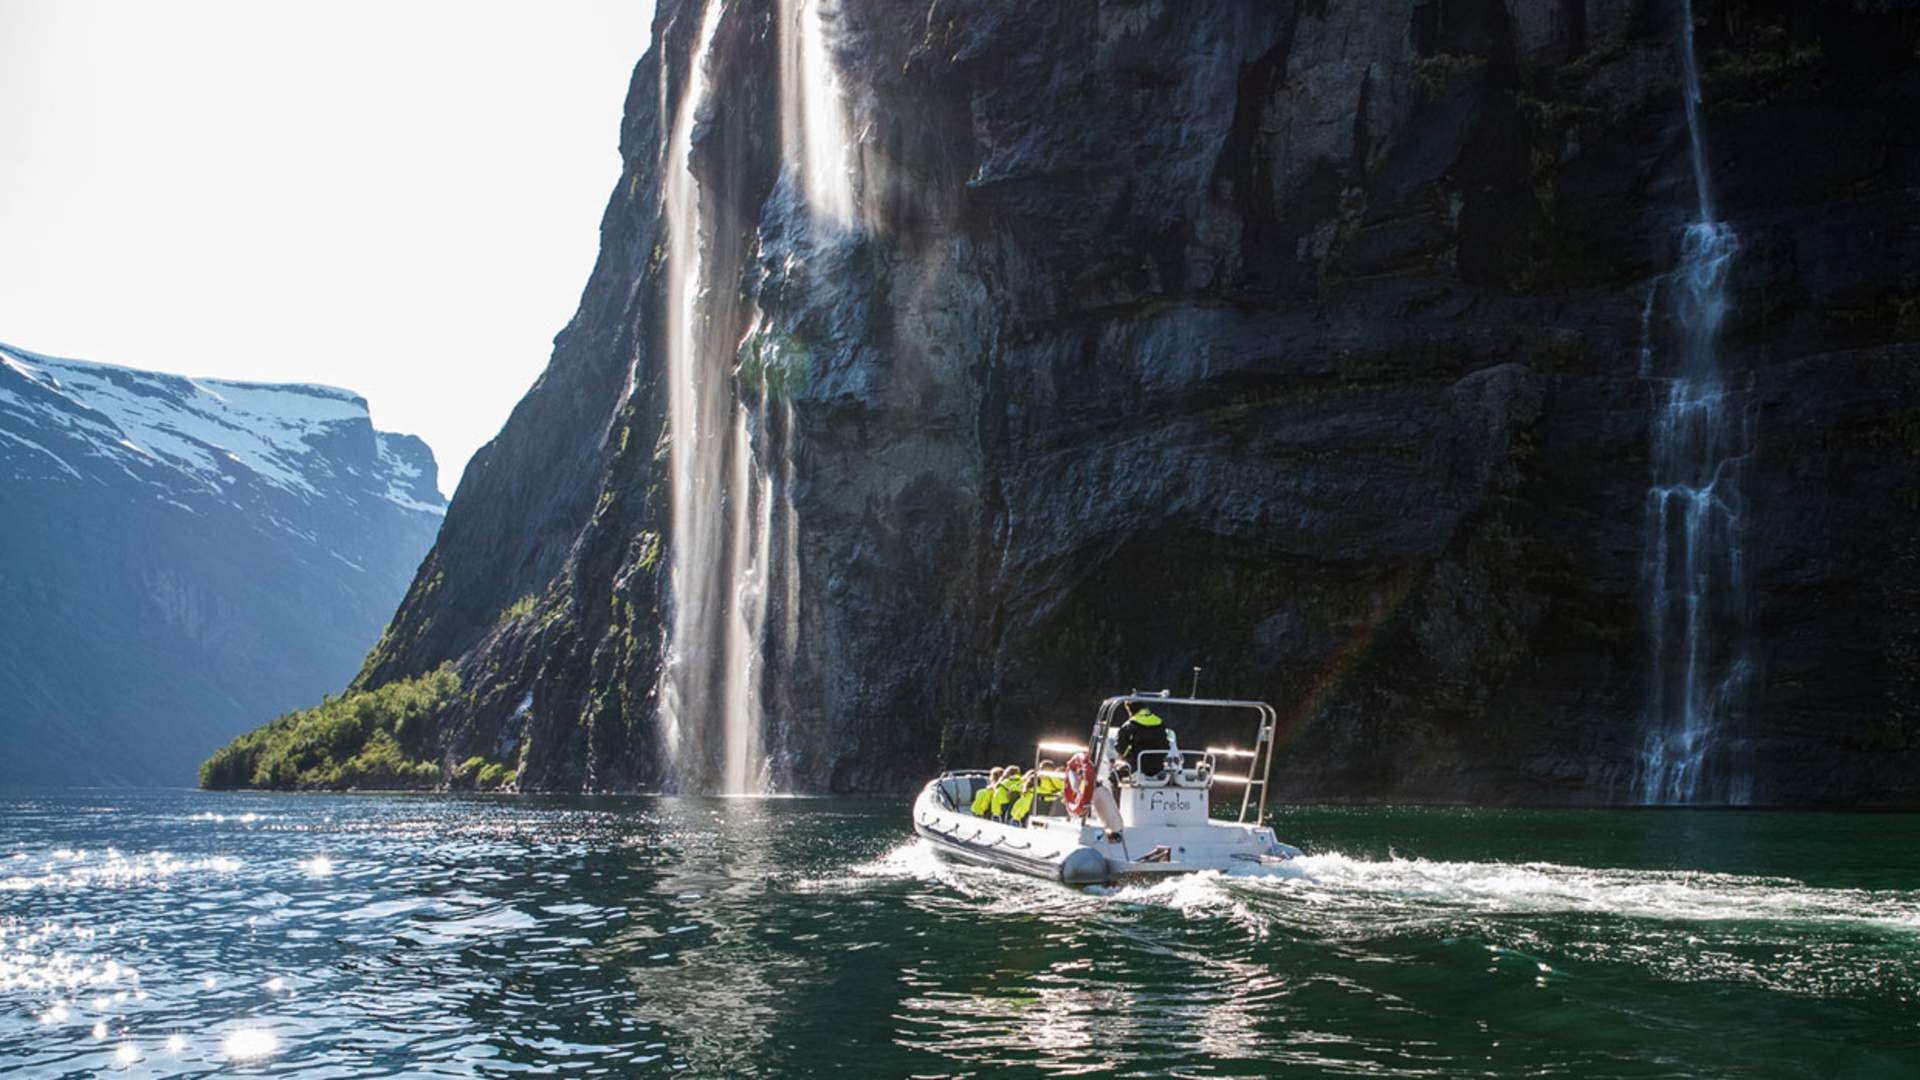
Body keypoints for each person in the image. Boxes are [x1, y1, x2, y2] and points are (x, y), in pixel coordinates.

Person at [1114, 701, 1173, 777]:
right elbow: (1166, 746)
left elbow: (1120, 748)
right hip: (1158, 767)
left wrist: (1125, 756)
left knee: (1114, 775)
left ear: (1129, 710)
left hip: (1137, 767)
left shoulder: (1129, 725)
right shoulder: (1160, 723)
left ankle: (1114, 786)